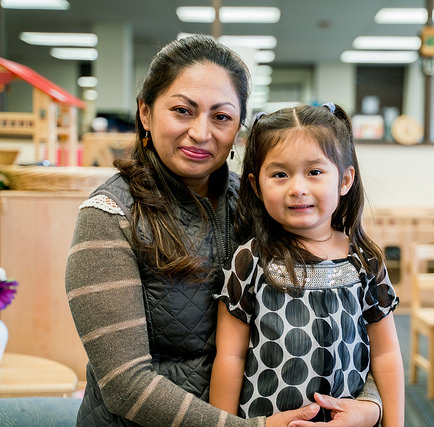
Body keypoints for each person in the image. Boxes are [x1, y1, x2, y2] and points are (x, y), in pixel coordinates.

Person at [65, 35, 382, 426]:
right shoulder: (109, 215)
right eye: (182, 110)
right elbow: (126, 384)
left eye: (221, 117)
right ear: (145, 114)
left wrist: (369, 404)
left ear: (239, 128)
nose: (201, 133)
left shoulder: (262, 201)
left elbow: (349, 318)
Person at [210, 103, 405, 425]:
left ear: (344, 180)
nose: (297, 189)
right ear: (256, 186)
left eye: (314, 172)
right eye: (279, 174)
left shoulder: (364, 259)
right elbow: (231, 356)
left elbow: (386, 353)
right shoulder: (251, 261)